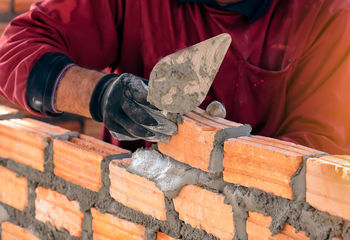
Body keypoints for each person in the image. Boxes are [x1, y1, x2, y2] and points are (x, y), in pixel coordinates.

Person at [0, 0, 349, 153]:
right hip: (133, 221)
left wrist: (221, 156)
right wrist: (101, 95)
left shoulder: (328, 14)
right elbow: (13, 50)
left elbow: (324, 149)